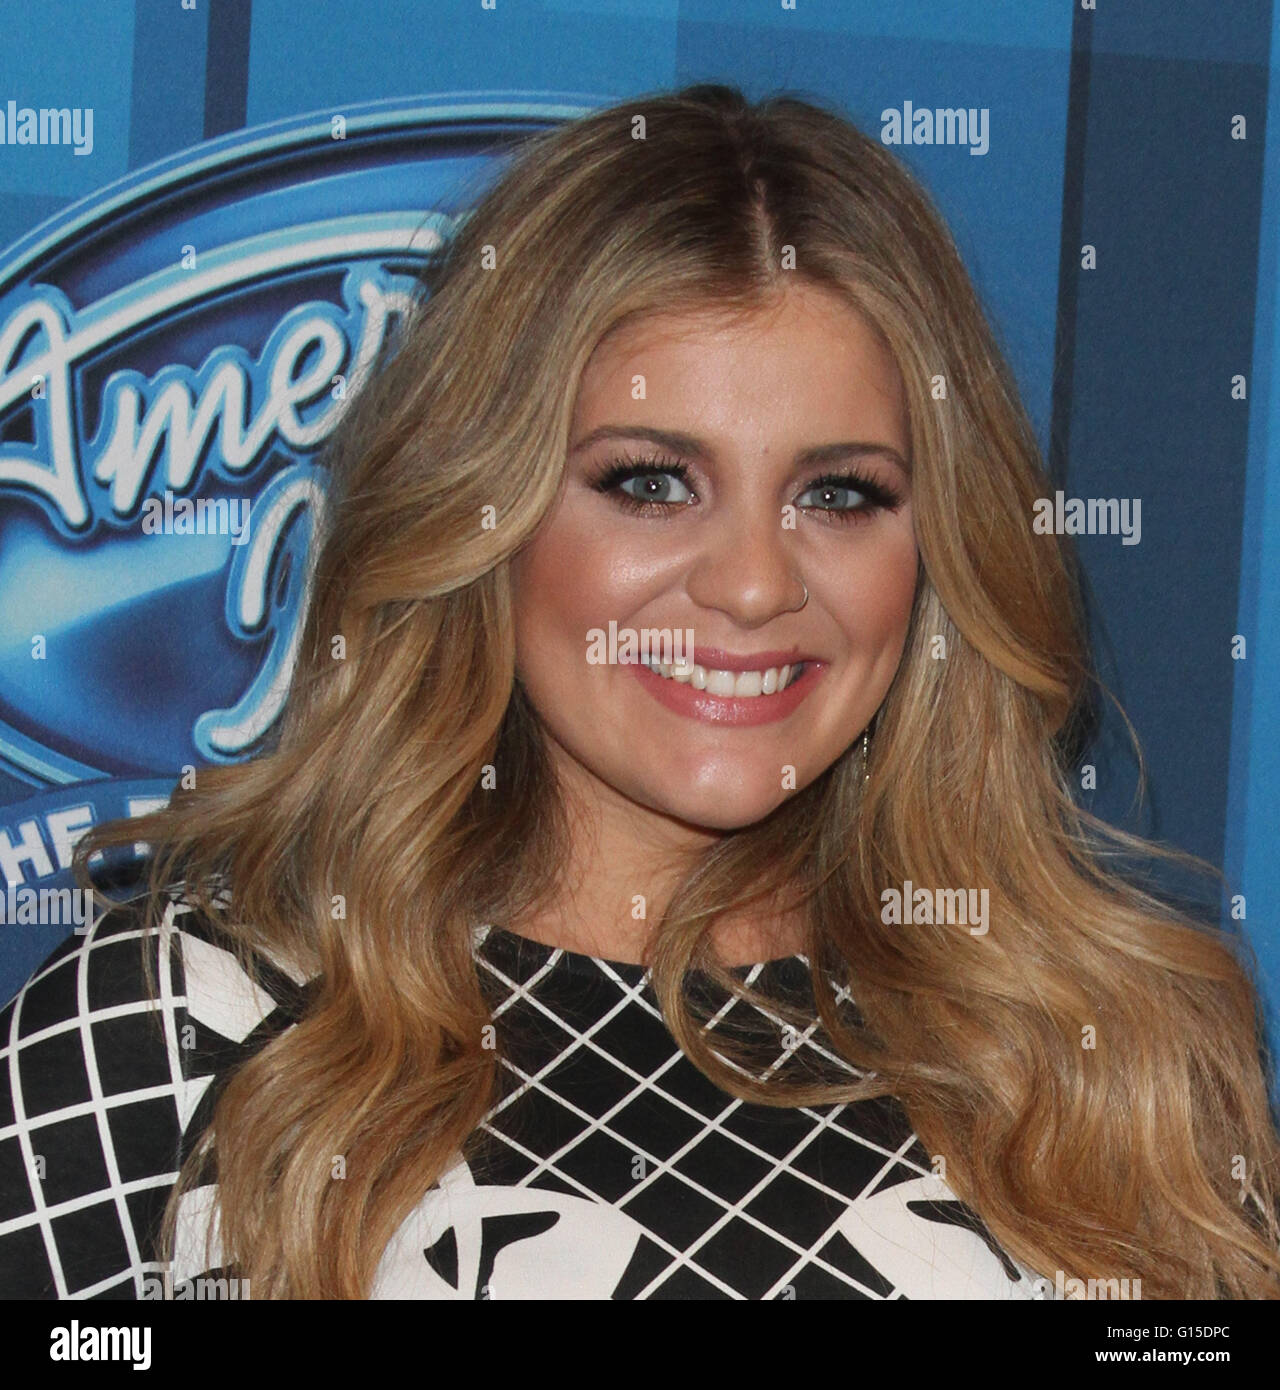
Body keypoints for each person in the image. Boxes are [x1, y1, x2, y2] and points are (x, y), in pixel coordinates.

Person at [2, 83, 1278, 1301]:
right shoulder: (170, 1034)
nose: (750, 584)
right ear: (480, 513)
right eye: (650, 482)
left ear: (936, 549)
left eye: (838, 494)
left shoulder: (1121, 1061)